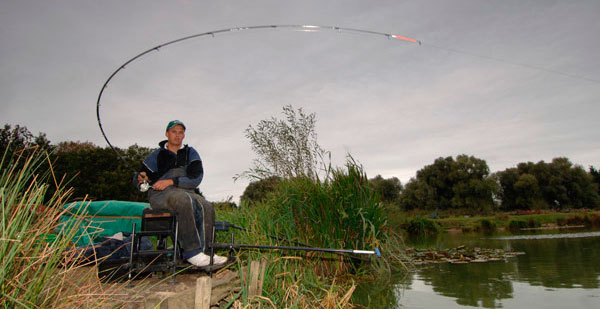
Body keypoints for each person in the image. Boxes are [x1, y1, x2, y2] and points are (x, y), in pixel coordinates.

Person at [135, 120, 227, 267]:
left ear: (184, 135)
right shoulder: (156, 156)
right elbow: (140, 180)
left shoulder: (191, 153)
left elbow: (196, 178)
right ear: (167, 134)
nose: (177, 136)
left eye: (180, 132)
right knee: (183, 200)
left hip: (187, 191)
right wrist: (142, 180)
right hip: (160, 195)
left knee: (207, 206)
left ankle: (206, 252)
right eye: (173, 132)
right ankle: (191, 252)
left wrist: (172, 181)